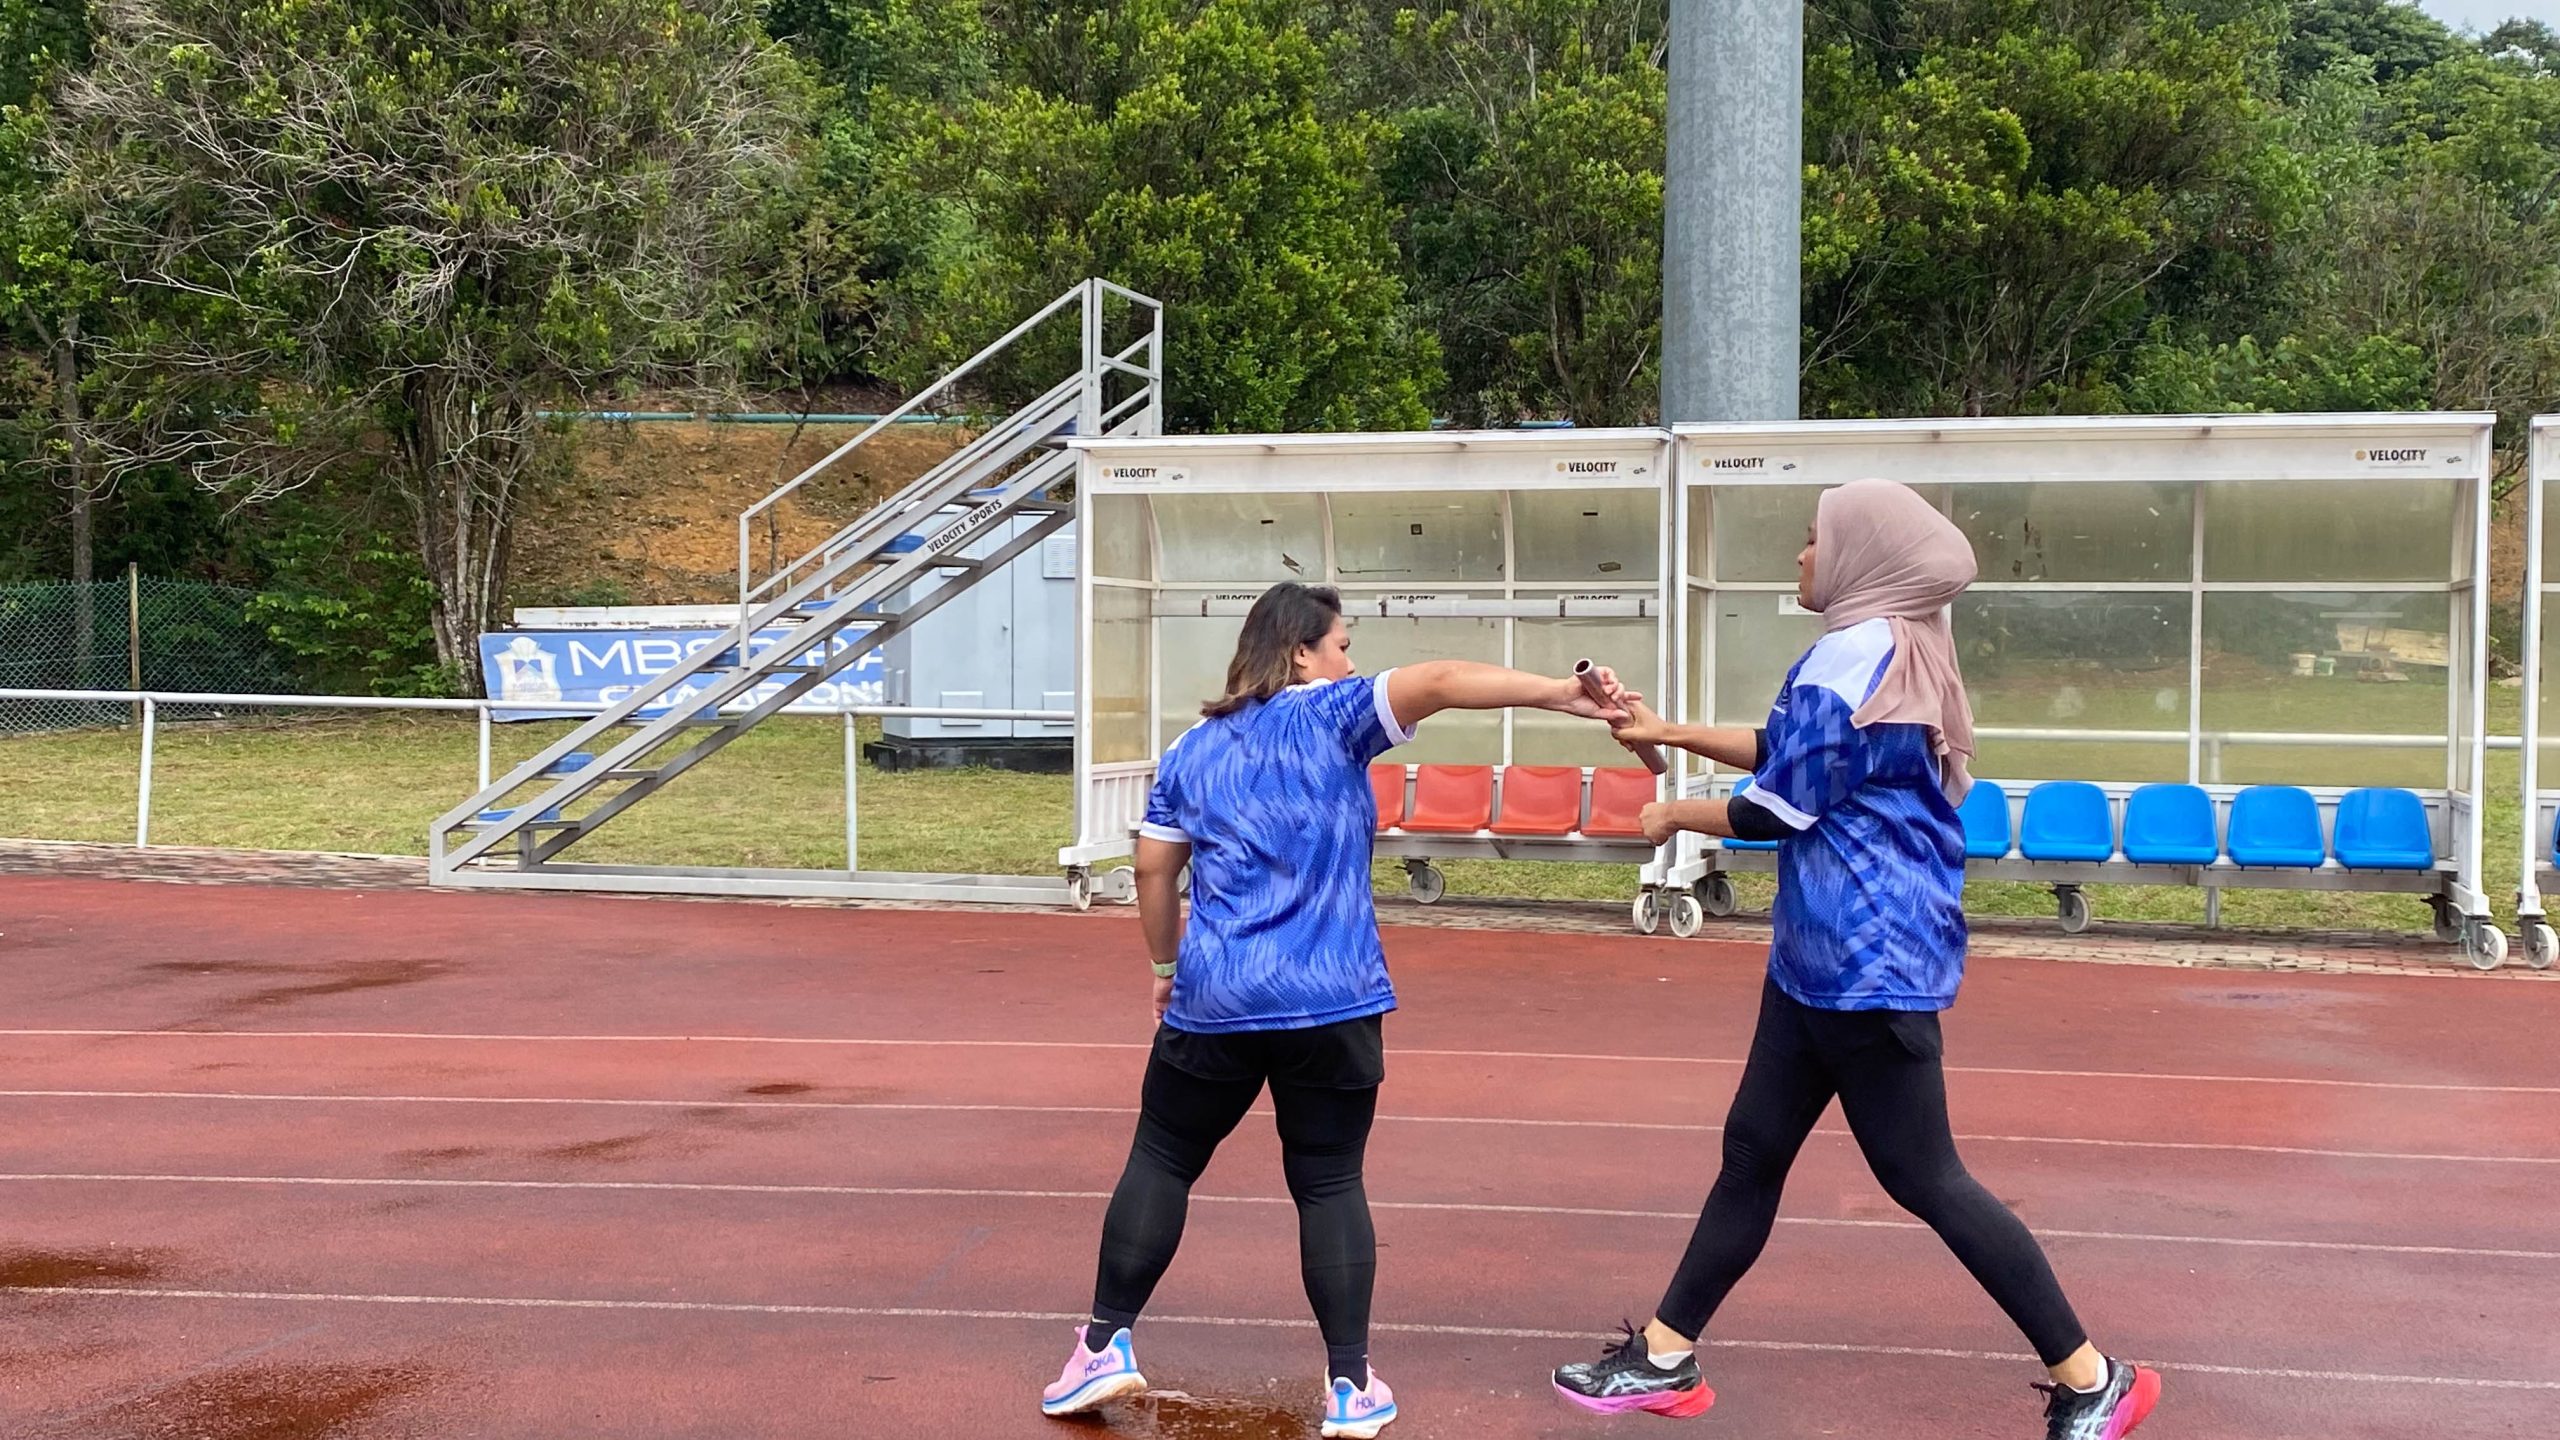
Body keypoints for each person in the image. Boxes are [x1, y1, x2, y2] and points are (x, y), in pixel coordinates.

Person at [1548, 479, 2161, 1440]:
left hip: (1868, 962)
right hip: (1821, 961)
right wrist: (1668, 731)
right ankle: (1663, 1357)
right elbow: (1792, 751)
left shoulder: (1858, 655)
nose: (1801, 556)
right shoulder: (1880, 645)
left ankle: (2094, 1379)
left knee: (1926, 1177)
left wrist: (1671, 813)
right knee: (1753, 1150)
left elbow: (1776, 806)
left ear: (1865, 556)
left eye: (1813, 540)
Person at [1042, 580, 1634, 1439]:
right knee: (1328, 1182)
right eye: (1343, 646)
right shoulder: (1335, 716)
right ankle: (1351, 1386)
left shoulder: (1190, 751)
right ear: (1300, 654)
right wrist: (1557, 693)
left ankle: (1102, 1347)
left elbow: (1152, 870)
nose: (1351, 662)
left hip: (1218, 996)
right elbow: (1439, 679)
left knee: (1163, 1159)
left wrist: (1166, 966)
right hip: (1334, 997)